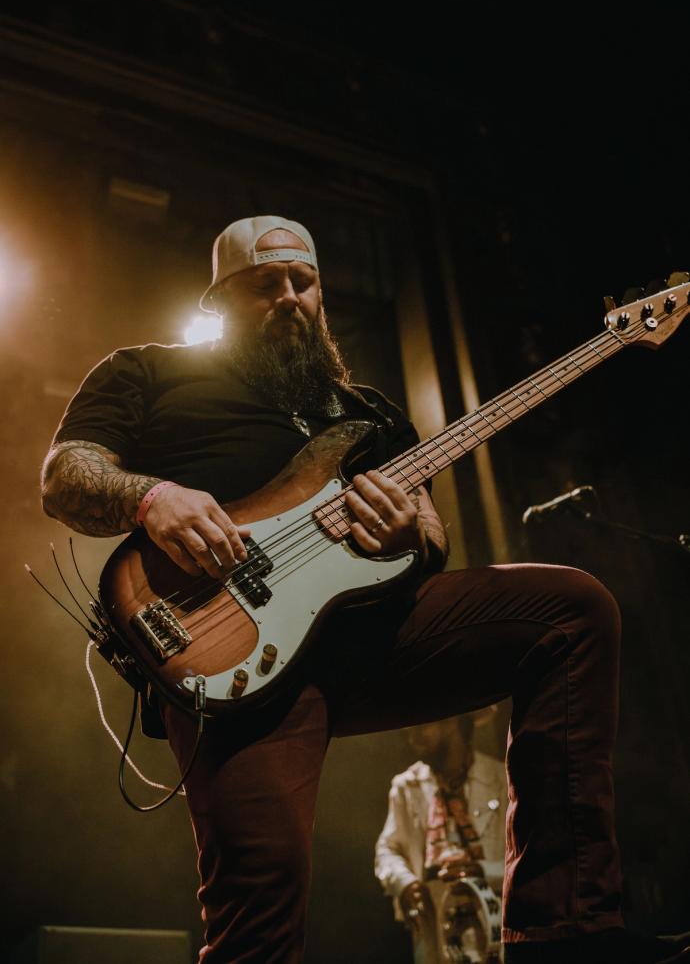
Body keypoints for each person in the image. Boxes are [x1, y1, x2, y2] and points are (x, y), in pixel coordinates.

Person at [40, 215, 690, 964]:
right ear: (218, 301)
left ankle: (563, 933)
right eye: (264, 285)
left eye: (302, 282)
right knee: (259, 916)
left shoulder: (368, 412)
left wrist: (410, 533)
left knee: (571, 611)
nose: (288, 297)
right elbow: (66, 476)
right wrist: (152, 498)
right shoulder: (147, 371)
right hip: (227, 650)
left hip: (376, 638)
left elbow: (433, 535)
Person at [375, 713, 506, 963]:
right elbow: (386, 849)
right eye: (410, 730)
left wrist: (482, 870)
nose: (413, 737)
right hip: (435, 926)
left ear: (452, 722)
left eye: (423, 725)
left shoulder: (501, 778)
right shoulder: (406, 786)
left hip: (494, 921)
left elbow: (522, 856)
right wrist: (406, 884)